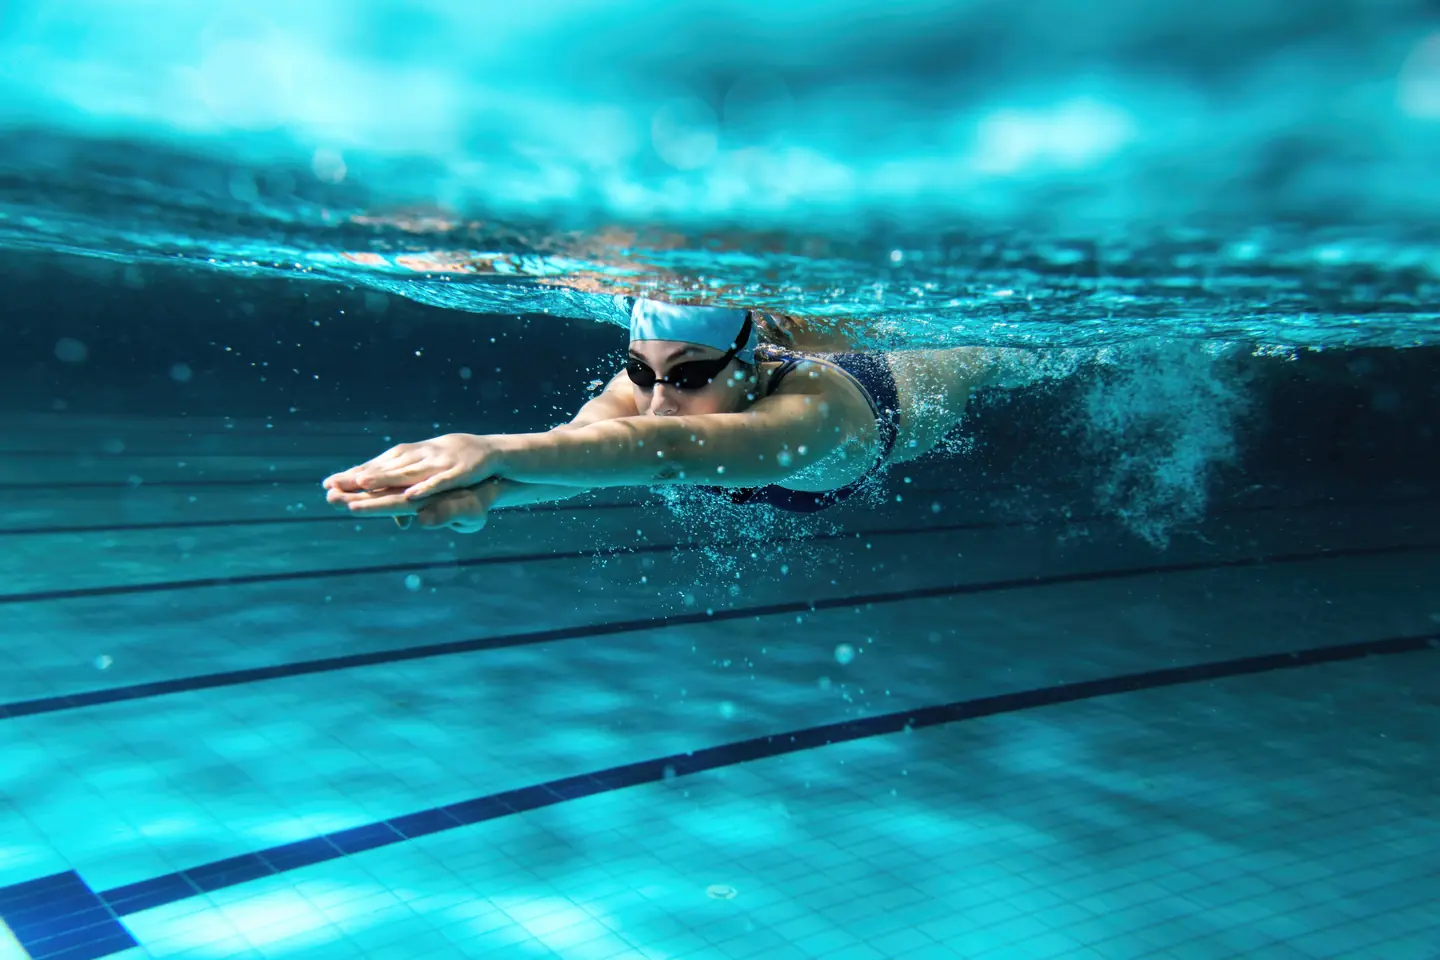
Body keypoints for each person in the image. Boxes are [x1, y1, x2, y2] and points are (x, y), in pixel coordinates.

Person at [322, 297, 1015, 531]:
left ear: (749, 366)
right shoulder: (654, 390)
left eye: (687, 375)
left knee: (991, 355)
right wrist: (488, 497)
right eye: (639, 370)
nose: (657, 400)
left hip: (909, 385)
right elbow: (579, 450)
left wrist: (489, 449)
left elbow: (669, 452)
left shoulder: (815, 411)